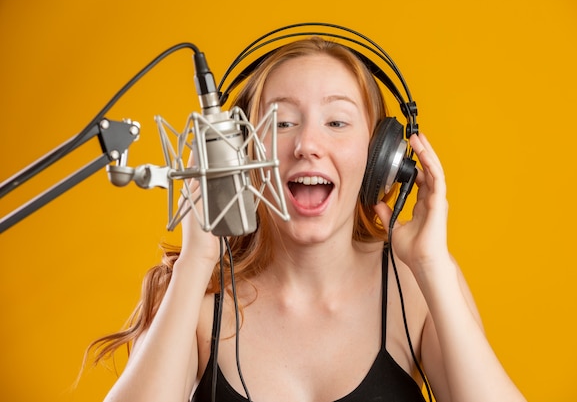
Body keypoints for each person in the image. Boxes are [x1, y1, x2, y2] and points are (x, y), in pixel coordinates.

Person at [88, 35, 527, 402]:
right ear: (240, 154)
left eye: (337, 122)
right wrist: (196, 262)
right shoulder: (199, 297)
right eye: (280, 123)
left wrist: (432, 266)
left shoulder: (417, 288)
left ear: (381, 158)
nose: (307, 145)